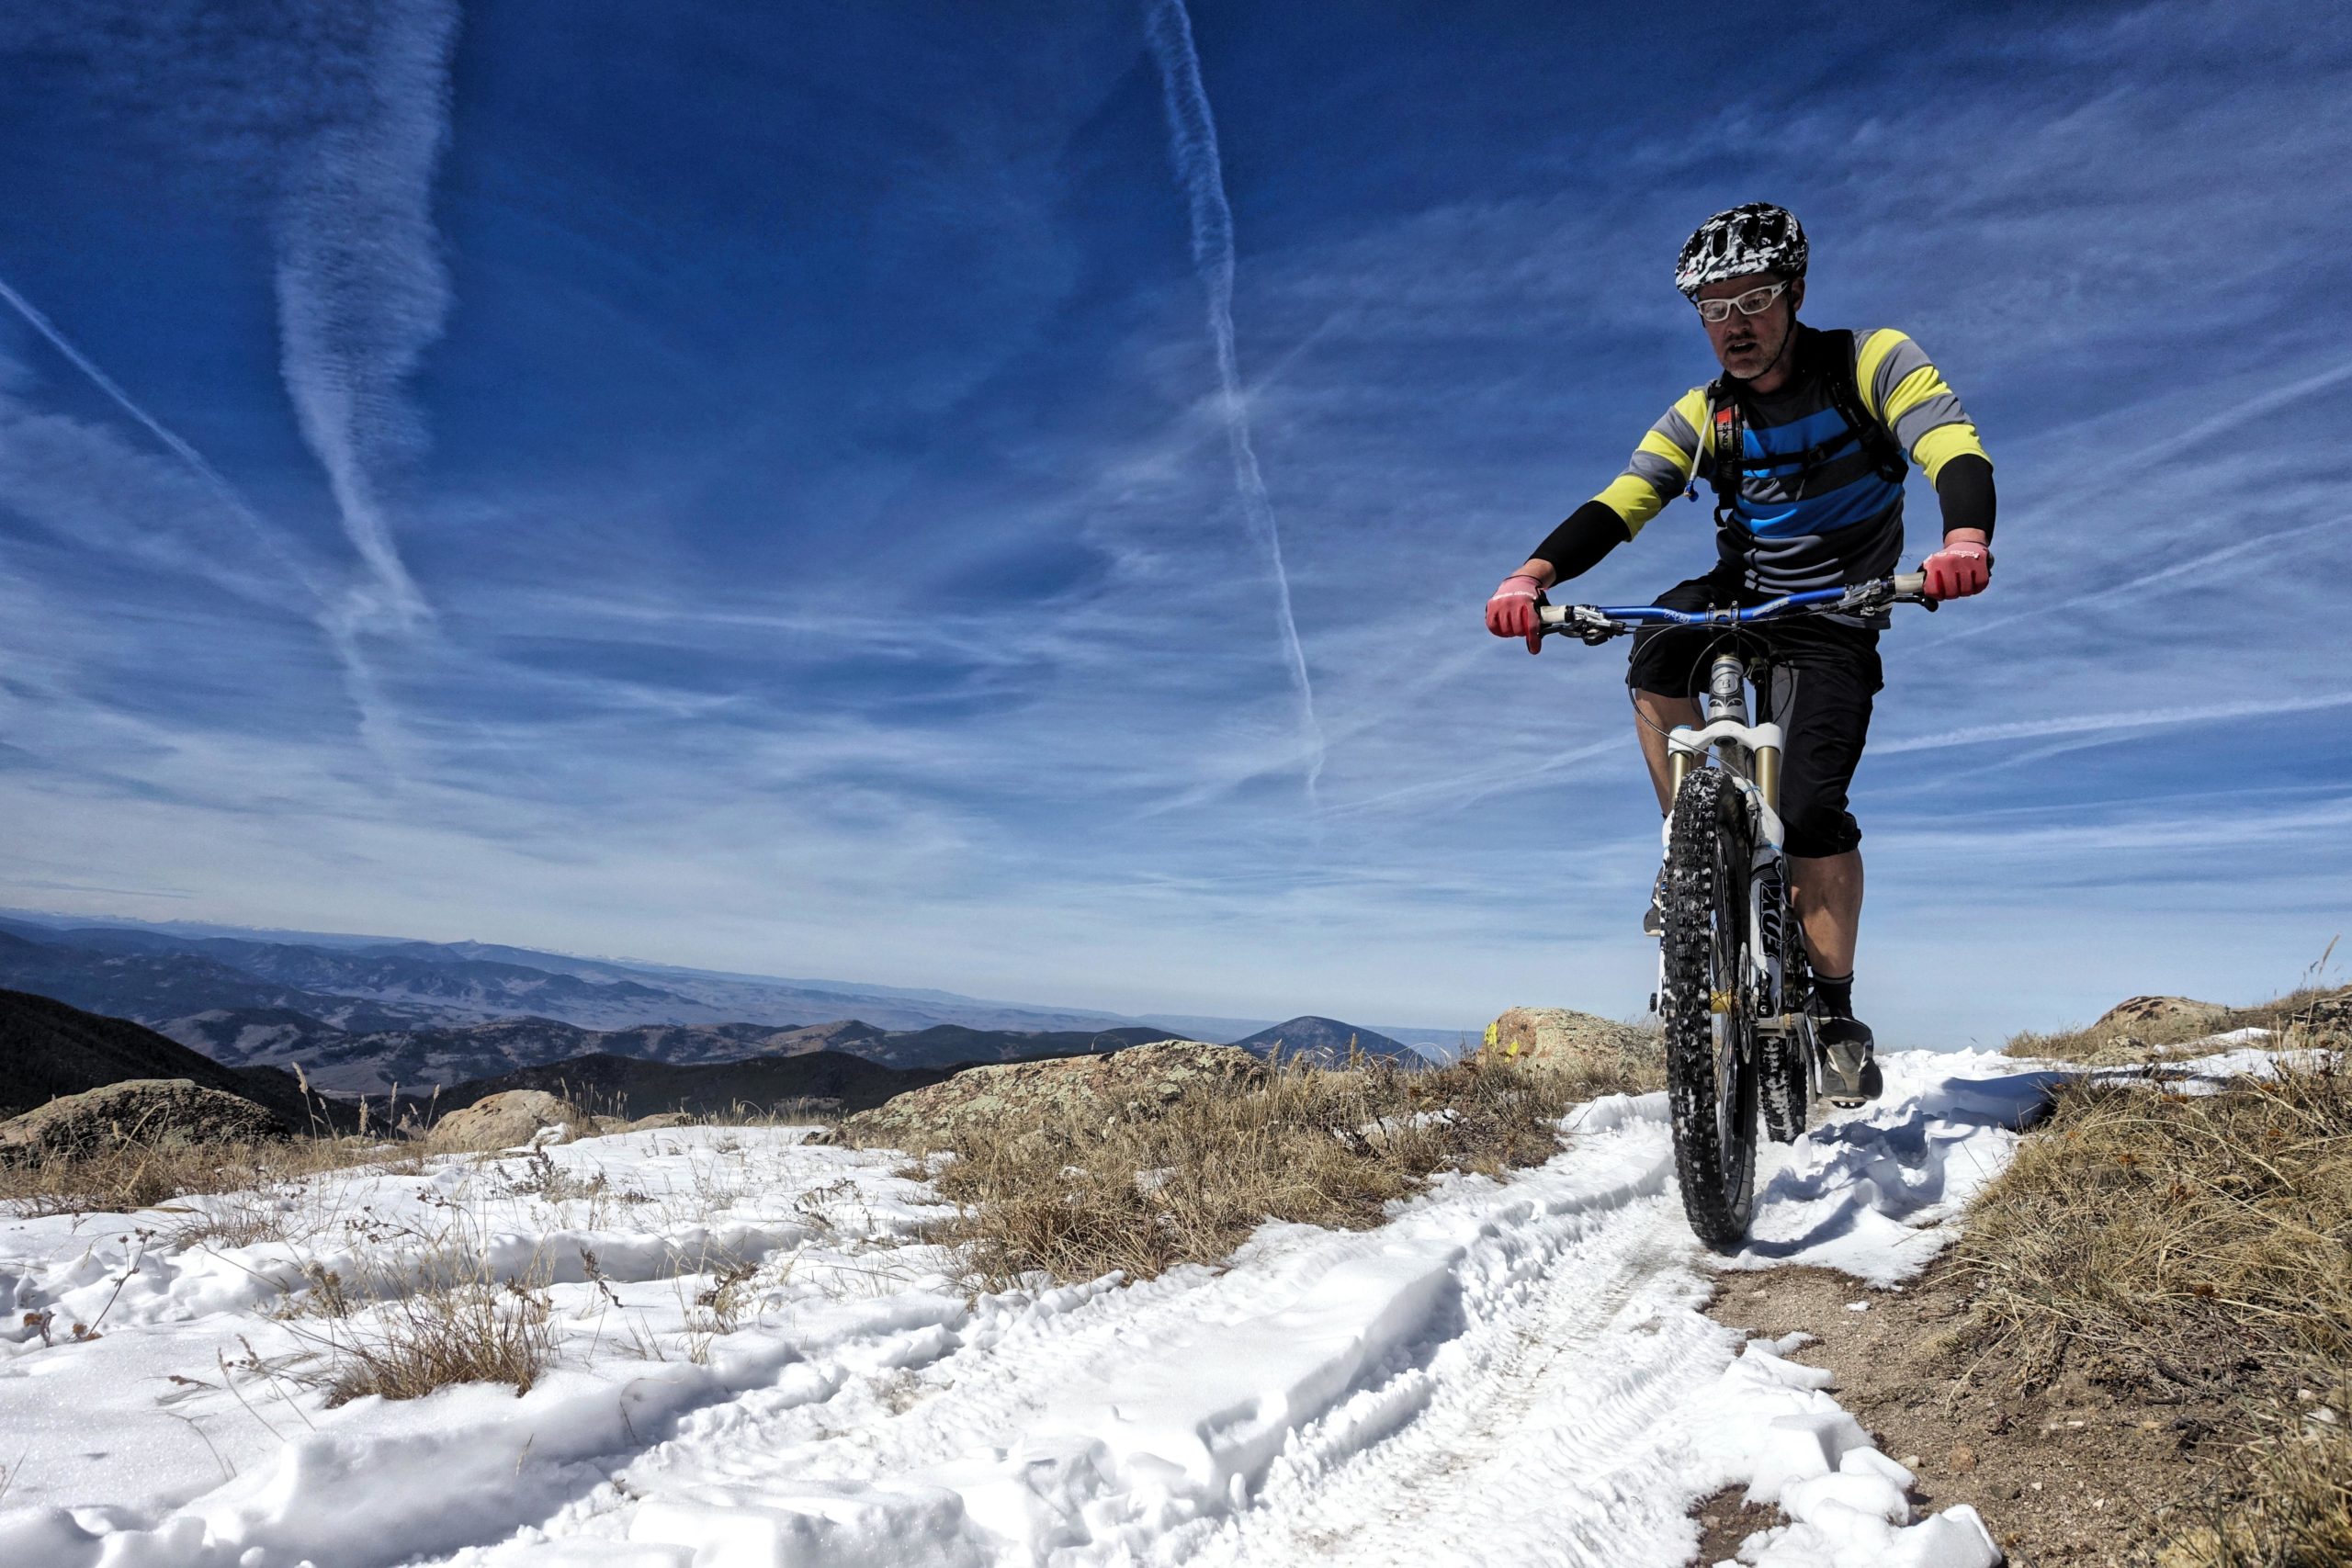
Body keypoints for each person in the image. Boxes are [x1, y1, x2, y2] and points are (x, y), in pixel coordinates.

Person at [1482, 202, 1996, 1104]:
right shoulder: (1703, 414)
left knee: (1806, 809)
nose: (1733, 325)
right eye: (1710, 307)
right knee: (1653, 648)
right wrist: (1530, 577)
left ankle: (1833, 1013)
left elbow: (1947, 442)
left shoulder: (1869, 362)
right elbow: (1624, 499)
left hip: (1835, 610)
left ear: (1794, 292)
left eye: (1752, 299)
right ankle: (1690, 843)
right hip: (1736, 595)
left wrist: (1962, 538)